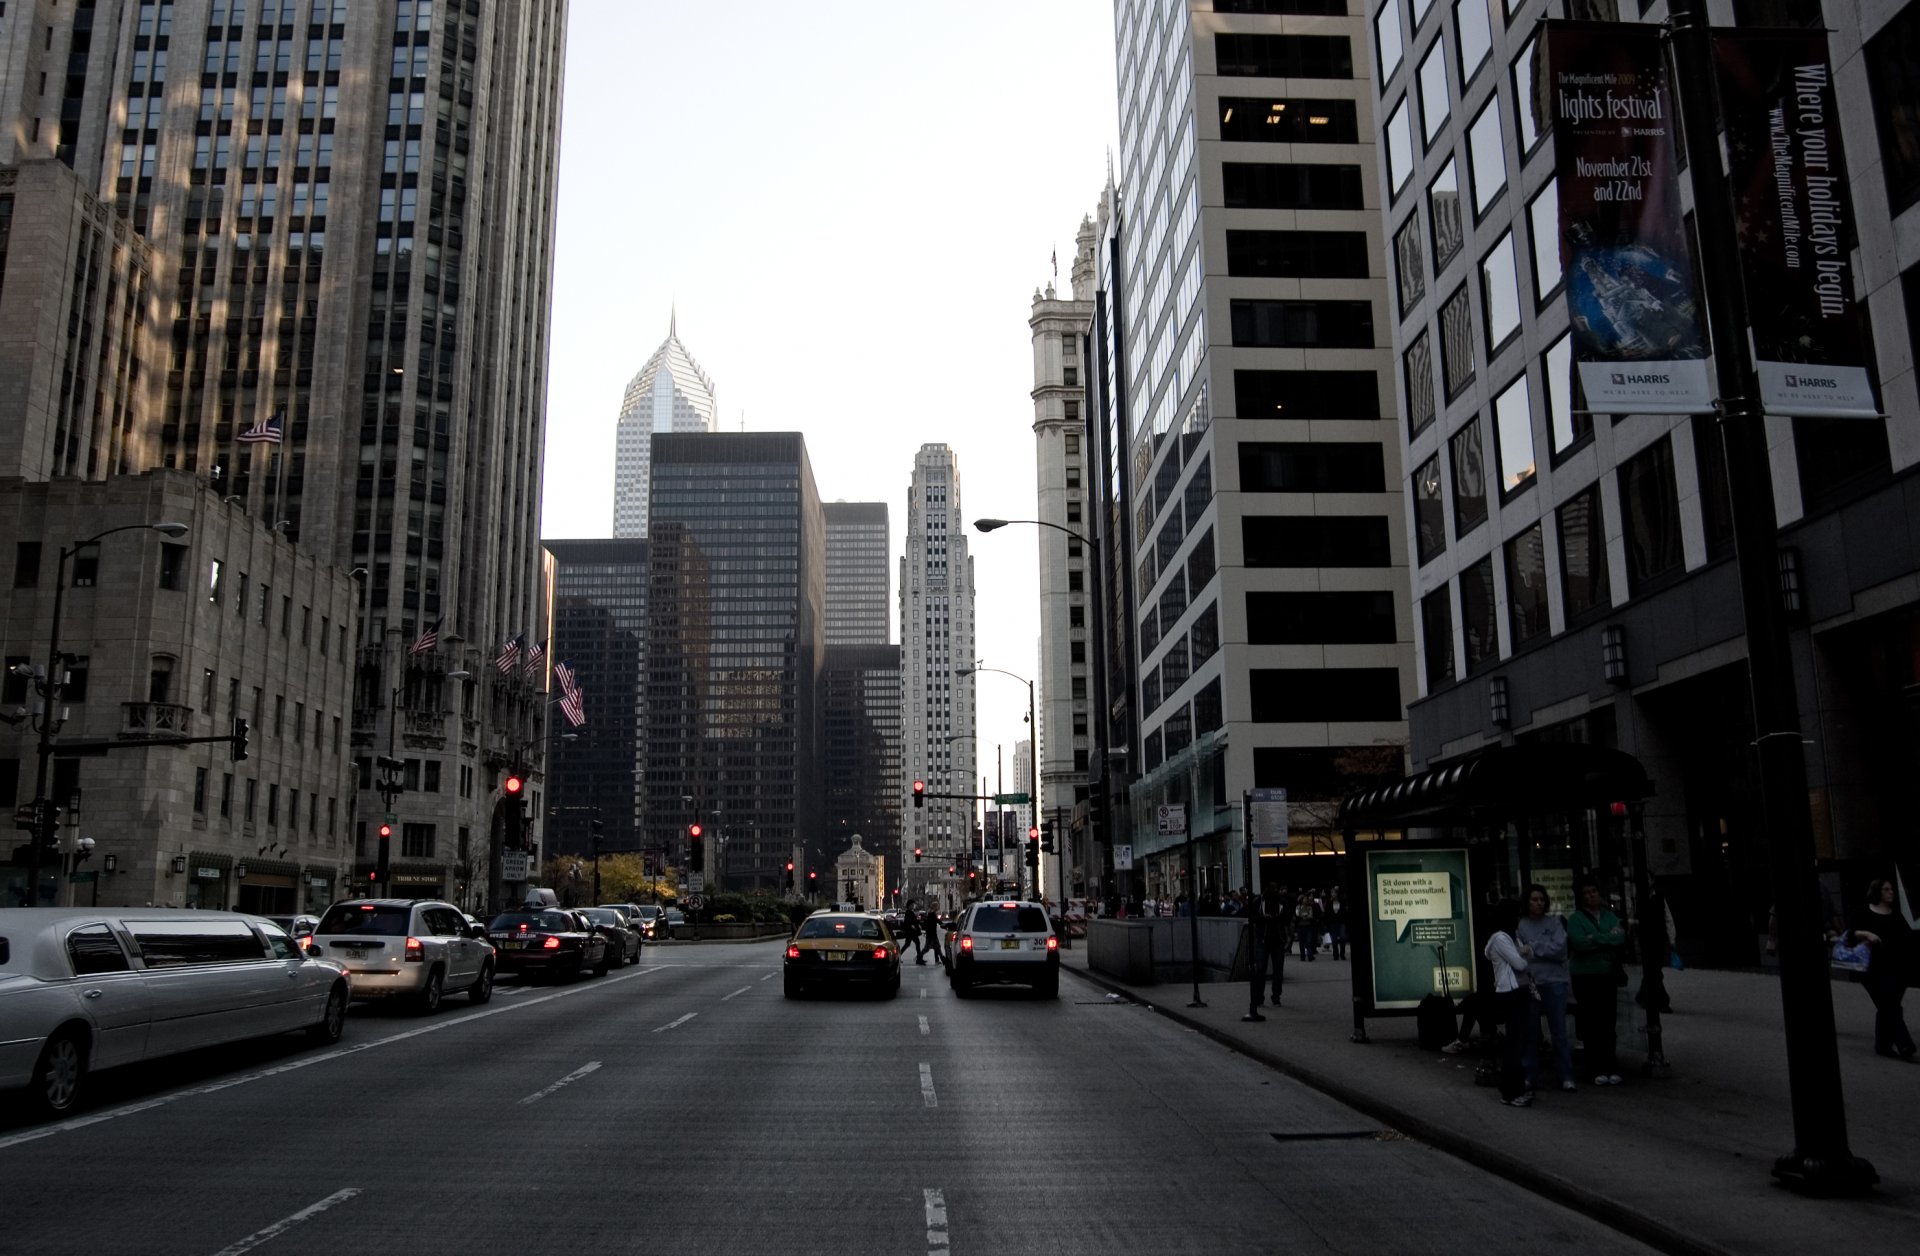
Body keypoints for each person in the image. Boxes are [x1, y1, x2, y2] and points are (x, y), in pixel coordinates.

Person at [1846, 878, 1916, 1060]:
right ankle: (1905, 1045)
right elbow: (1849, 935)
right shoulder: (1862, 912)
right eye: (1886, 889)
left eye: (1891, 889)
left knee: (1888, 1006)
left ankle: (1882, 1045)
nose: (1891, 892)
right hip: (1870, 969)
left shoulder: (1896, 915)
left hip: (1896, 969)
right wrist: (1866, 934)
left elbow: (1908, 939)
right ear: (1877, 892)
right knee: (1889, 1005)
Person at [1567, 878, 1627, 1086]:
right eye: (1587, 892)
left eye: (1594, 891)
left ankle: (1610, 1065)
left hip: (1606, 974)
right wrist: (1606, 938)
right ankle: (1596, 1068)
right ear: (1581, 897)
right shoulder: (1576, 919)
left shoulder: (1609, 916)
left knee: (1608, 1021)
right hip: (1585, 976)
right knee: (1591, 1020)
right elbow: (1579, 944)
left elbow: (1620, 937)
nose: (1592, 895)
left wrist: (1595, 938)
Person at [1517, 884, 1575, 1092]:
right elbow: (1519, 952)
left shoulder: (1555, 922)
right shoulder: (1521, 925)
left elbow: (1561, 950)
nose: (1539, 903)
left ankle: (1566, 1075)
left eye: (1541, 899)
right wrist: (1543, 948)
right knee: (1531, 1032)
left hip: (1555, 982)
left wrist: (1533, 948)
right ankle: (1530, 1075)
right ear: (1527, 902)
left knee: (1559, 1032)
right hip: (1533, 983)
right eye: (1534, 899)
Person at [1484, 897, 1534, 1107]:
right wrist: (1524, 952)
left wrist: (1524, 951)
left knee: (1517, 1042)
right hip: (1510, 992)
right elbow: (1521, 963)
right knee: (1514, 1043)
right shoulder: (1502, 938)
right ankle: (1511, 1090)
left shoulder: (1509, 937)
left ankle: (1515, 1087)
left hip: (1517, 991)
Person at [1296, 893, 1318, 961]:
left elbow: (1311, 915)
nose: (1306, 900)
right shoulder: (1298, 907)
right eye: (1304, 899)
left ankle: (1310, 955)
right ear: (1301, 900)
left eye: (1306, 899)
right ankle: (1302, 956)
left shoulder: (1309, 907)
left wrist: (1303, 915)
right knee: (1301, 942)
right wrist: (1305, 915)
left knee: (1308, 941)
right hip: (1300, 926)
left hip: (1308, 926)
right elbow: (1297, 914)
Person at [1327, 888, 1348, 961]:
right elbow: (1327, 914)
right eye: (1332, 893)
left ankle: (1342, 954)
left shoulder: (1342, 902)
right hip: (1332, 923)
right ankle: (1335, 955)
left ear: (1337, 894)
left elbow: (1345, 912)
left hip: (1341, 922)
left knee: (1343, 938)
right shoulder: (1329, 903)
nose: (1333, 894)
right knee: (1334, 940)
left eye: (1334, 893)